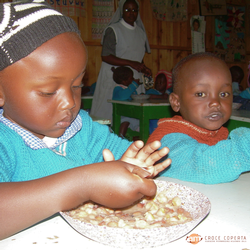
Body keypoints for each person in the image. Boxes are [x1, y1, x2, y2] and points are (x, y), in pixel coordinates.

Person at [0, 1, 172, 240]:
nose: (70, 102)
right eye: (49, 91)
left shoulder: (81, 129)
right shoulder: (4, 143)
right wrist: (84, 184)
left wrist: (134, 169)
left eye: (77, 86)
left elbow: (129, 160)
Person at [147, 52, 250, 184]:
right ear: (176, 102)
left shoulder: (218, 133)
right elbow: (203, 165)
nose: (215, 102)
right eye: (201, 94)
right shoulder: (168, 140)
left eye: (224, 93)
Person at [90, 0, 152, 120]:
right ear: (121, 11)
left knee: (130, 117)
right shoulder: (113, 30)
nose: (131, 13)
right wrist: (131, 63)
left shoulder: (141, 33)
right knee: (107, 114)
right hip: (114, 78)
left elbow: (138, 57)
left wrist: (143, 68)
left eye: (134, 10)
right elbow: (106, 56)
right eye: (127, 10)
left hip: (133, 79)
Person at [112, 66, 141, 137]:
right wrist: (134, 85)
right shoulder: (118, 89)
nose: (133, 79)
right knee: (126, 121)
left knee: (141, 122)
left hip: (132, 114)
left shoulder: (129, 89)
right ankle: (119, 139)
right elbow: (123, 96)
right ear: (124, 81)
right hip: (121, 115)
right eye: (132, 78)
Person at [146, 70, 173, 134]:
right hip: (153, 115)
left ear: (167, 84)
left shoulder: (170, 92)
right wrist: (163, 97)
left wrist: (167, 93)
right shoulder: (152, 91)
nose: (158, 84)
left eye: (161, 82)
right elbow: (149, 96)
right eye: (157, 82)